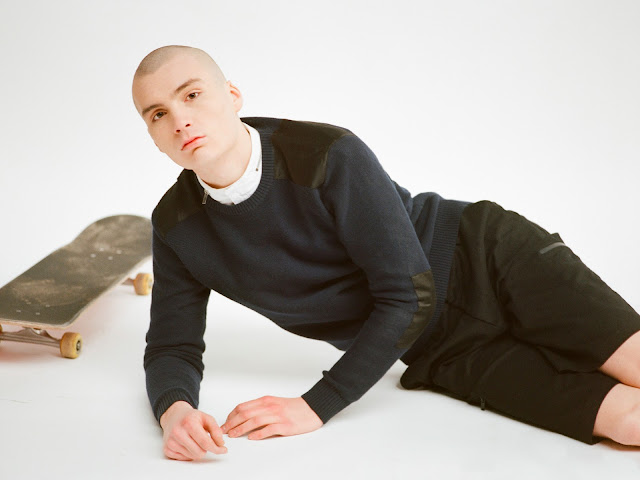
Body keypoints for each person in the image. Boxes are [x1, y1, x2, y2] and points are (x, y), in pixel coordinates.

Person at [132, 45, 640, 461]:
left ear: (232, 95)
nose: (180, 121)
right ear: (152, 135)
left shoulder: (326, 154)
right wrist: (175, 413)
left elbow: (407, 294)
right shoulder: (177, 228)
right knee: (628, 424)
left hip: (491, 260)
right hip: (442, 352)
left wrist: (318, 404)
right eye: (158, 114)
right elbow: (172, 346)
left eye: (192, 95)